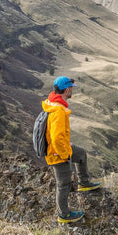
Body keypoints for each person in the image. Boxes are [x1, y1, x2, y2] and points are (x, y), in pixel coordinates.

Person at [42, 76, 100, 223]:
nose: (73, 90)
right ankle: (63, 215)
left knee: (80, 153)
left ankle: (84, 183)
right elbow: (55, 138)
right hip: (57, 153)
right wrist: (65, 154)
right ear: (67, 89)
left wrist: (67, 145)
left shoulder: (53, 102)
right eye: (72, 88)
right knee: (63, 184)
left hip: (61, 147)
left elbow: (56, 134)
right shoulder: (58, 111)